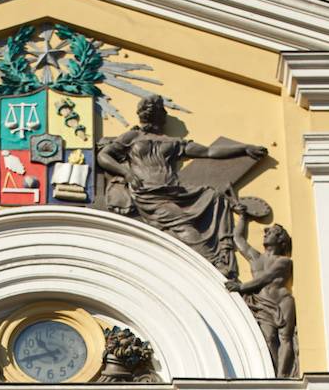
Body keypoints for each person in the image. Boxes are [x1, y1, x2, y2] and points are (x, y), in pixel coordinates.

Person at [97, 95, 266, 277]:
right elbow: (103, 156)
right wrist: (126, 173)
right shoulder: (132, 136)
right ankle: (211, 265)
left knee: (215, 197)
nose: (155, 115)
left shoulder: (172, 141)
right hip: (147, 192)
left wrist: (244, 148)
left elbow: (208, 151)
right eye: (152, 111)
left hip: (173, 190)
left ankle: (223, 251)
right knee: (182, 223)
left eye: (157, 111)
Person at [228, 212, 298, 378]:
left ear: (281, 240)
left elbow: (266, 278)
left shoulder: (284, 261)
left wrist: (241, 287)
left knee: (285, 338)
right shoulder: (256, 258)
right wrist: (244, 218)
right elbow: (238, 239)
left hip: (282, 302)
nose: (266, 233)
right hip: (262, 304)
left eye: (271, 232)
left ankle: (282, 375)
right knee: (268, 338)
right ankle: (272, 372)